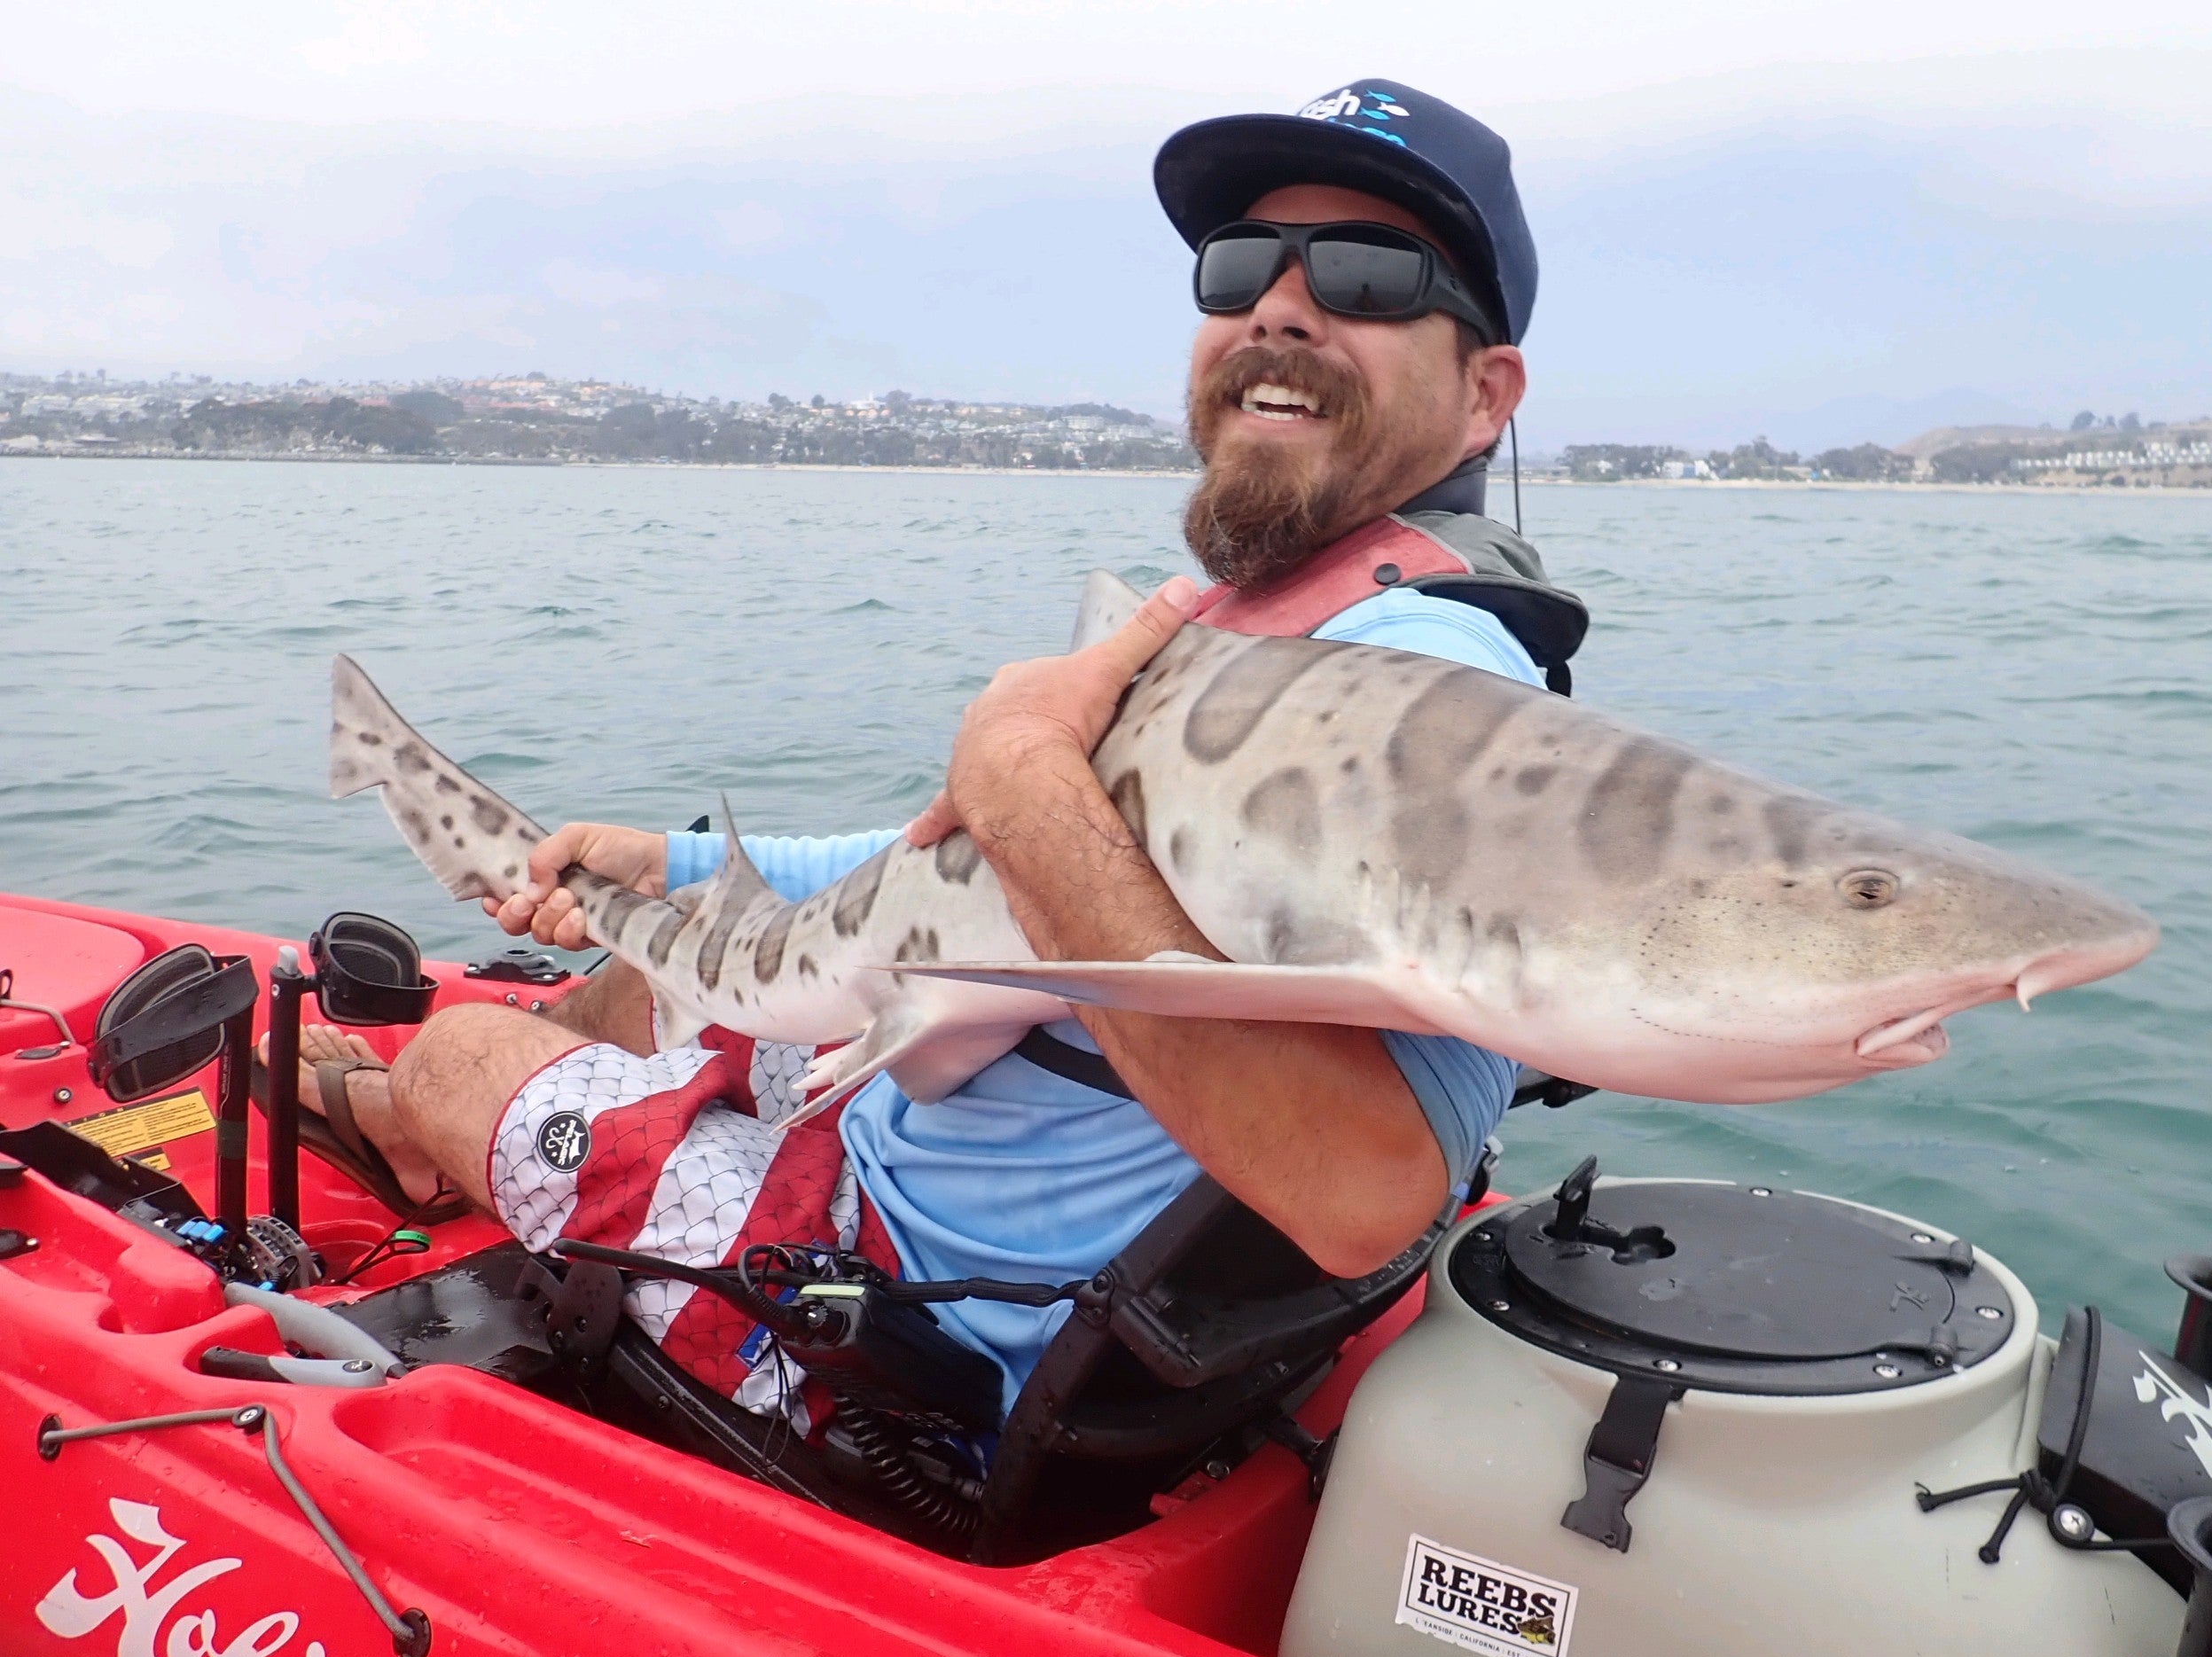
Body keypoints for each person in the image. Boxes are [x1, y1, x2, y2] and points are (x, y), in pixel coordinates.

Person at [291, 79, 1584, 1421]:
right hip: (923, 1149)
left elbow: (1364, 1189)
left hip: (908, 1323)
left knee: (456, 1057)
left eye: (1369, 275)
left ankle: (416, 1111)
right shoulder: (1282, 634)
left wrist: (1018, 775)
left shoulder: (1420, 695)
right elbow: (964, 878)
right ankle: (435, 1116)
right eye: (1242, 264)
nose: (1278, 307)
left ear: (1485, 396)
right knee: (662, 965)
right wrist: (672, 861)